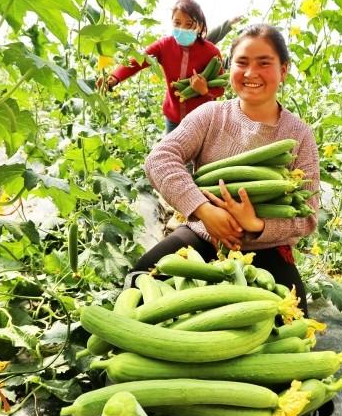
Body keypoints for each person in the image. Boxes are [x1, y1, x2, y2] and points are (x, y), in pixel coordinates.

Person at [134, 24, 319, 313]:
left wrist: (256, 225)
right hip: (203, 233)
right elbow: (159, 158)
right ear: (228, 67)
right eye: (241, 63)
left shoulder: (299, 134)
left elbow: (307, 216)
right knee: (139, 280)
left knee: (293, 317)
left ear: (284, 70)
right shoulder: (211, 115)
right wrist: (205, 210)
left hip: (265, 248)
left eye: (264, 63)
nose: (250, 73)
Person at [103, 0, 225, 134]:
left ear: (200, 27)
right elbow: (138, 60)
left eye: (189, 24)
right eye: (177, 23)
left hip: (201, 120)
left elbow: (220, 89)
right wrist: (115, 77)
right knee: (170, 154)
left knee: (198, 155)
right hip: (173, 119)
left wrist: (204, 90)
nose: (182, 28)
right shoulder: (164, 46)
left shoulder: (212, 53)